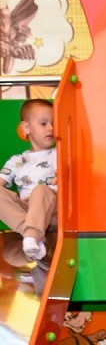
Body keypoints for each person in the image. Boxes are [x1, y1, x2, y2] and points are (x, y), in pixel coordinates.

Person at [0, 98, 57, 267]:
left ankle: (32, 236)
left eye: (54, 124)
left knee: (40, 190)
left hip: (52, 207)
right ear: (26, 128)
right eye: (44, 124)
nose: (51, 128)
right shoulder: (16, 161)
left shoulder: (58, 154)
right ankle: (36, 244)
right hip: (27, 211)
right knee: (10, 254)